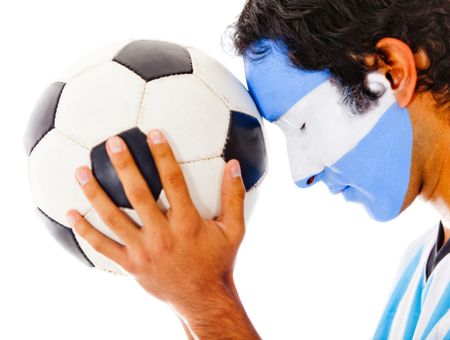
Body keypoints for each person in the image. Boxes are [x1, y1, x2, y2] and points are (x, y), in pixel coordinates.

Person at [65, 0, 450, 338]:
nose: (302, 174)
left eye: (302, 124)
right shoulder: (418, 270)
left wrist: (207, 301)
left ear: (391, 72)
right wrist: (191, 294)